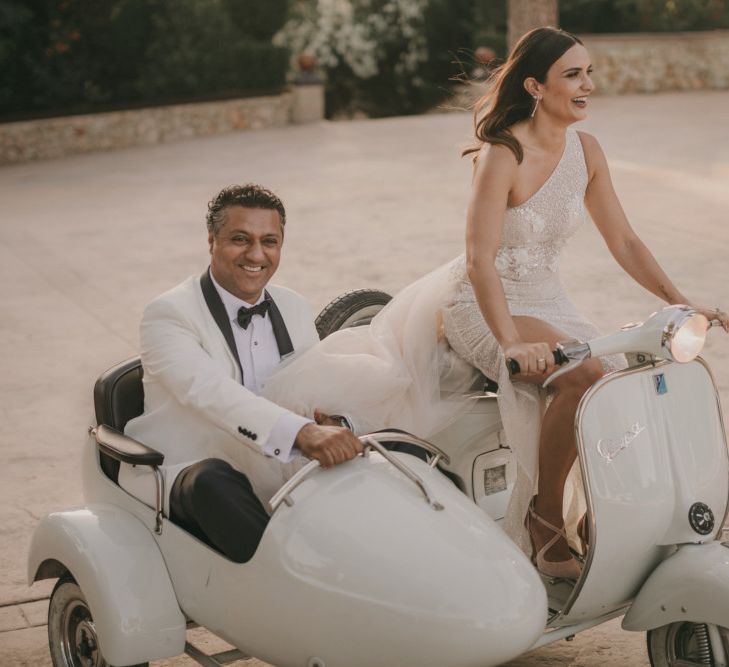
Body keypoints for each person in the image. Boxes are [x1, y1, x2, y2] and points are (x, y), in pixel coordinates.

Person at [262, 27, 729, 580]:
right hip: (483, 303)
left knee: (619, 379)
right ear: (535, 86)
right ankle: (544, 521)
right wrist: (511, 340)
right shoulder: (501, 154)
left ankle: (604, 514)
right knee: (584, 374)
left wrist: (681, 302)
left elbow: (624, 240)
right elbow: (480, 260)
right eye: (573, 75)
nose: (588, 86)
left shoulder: (587, 150)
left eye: (589, 73)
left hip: (547, 297)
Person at [119, 184, 363, 563]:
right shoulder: (167, 313)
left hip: (280, 466)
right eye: (239, 239)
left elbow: (316, 381)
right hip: (191, 466)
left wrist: (330, 420)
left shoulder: (294, 305)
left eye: (269, 241)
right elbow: (209, 391)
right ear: (211, 240)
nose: (256, 254)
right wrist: (301, 432)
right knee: (213, 483)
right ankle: (284, 581)